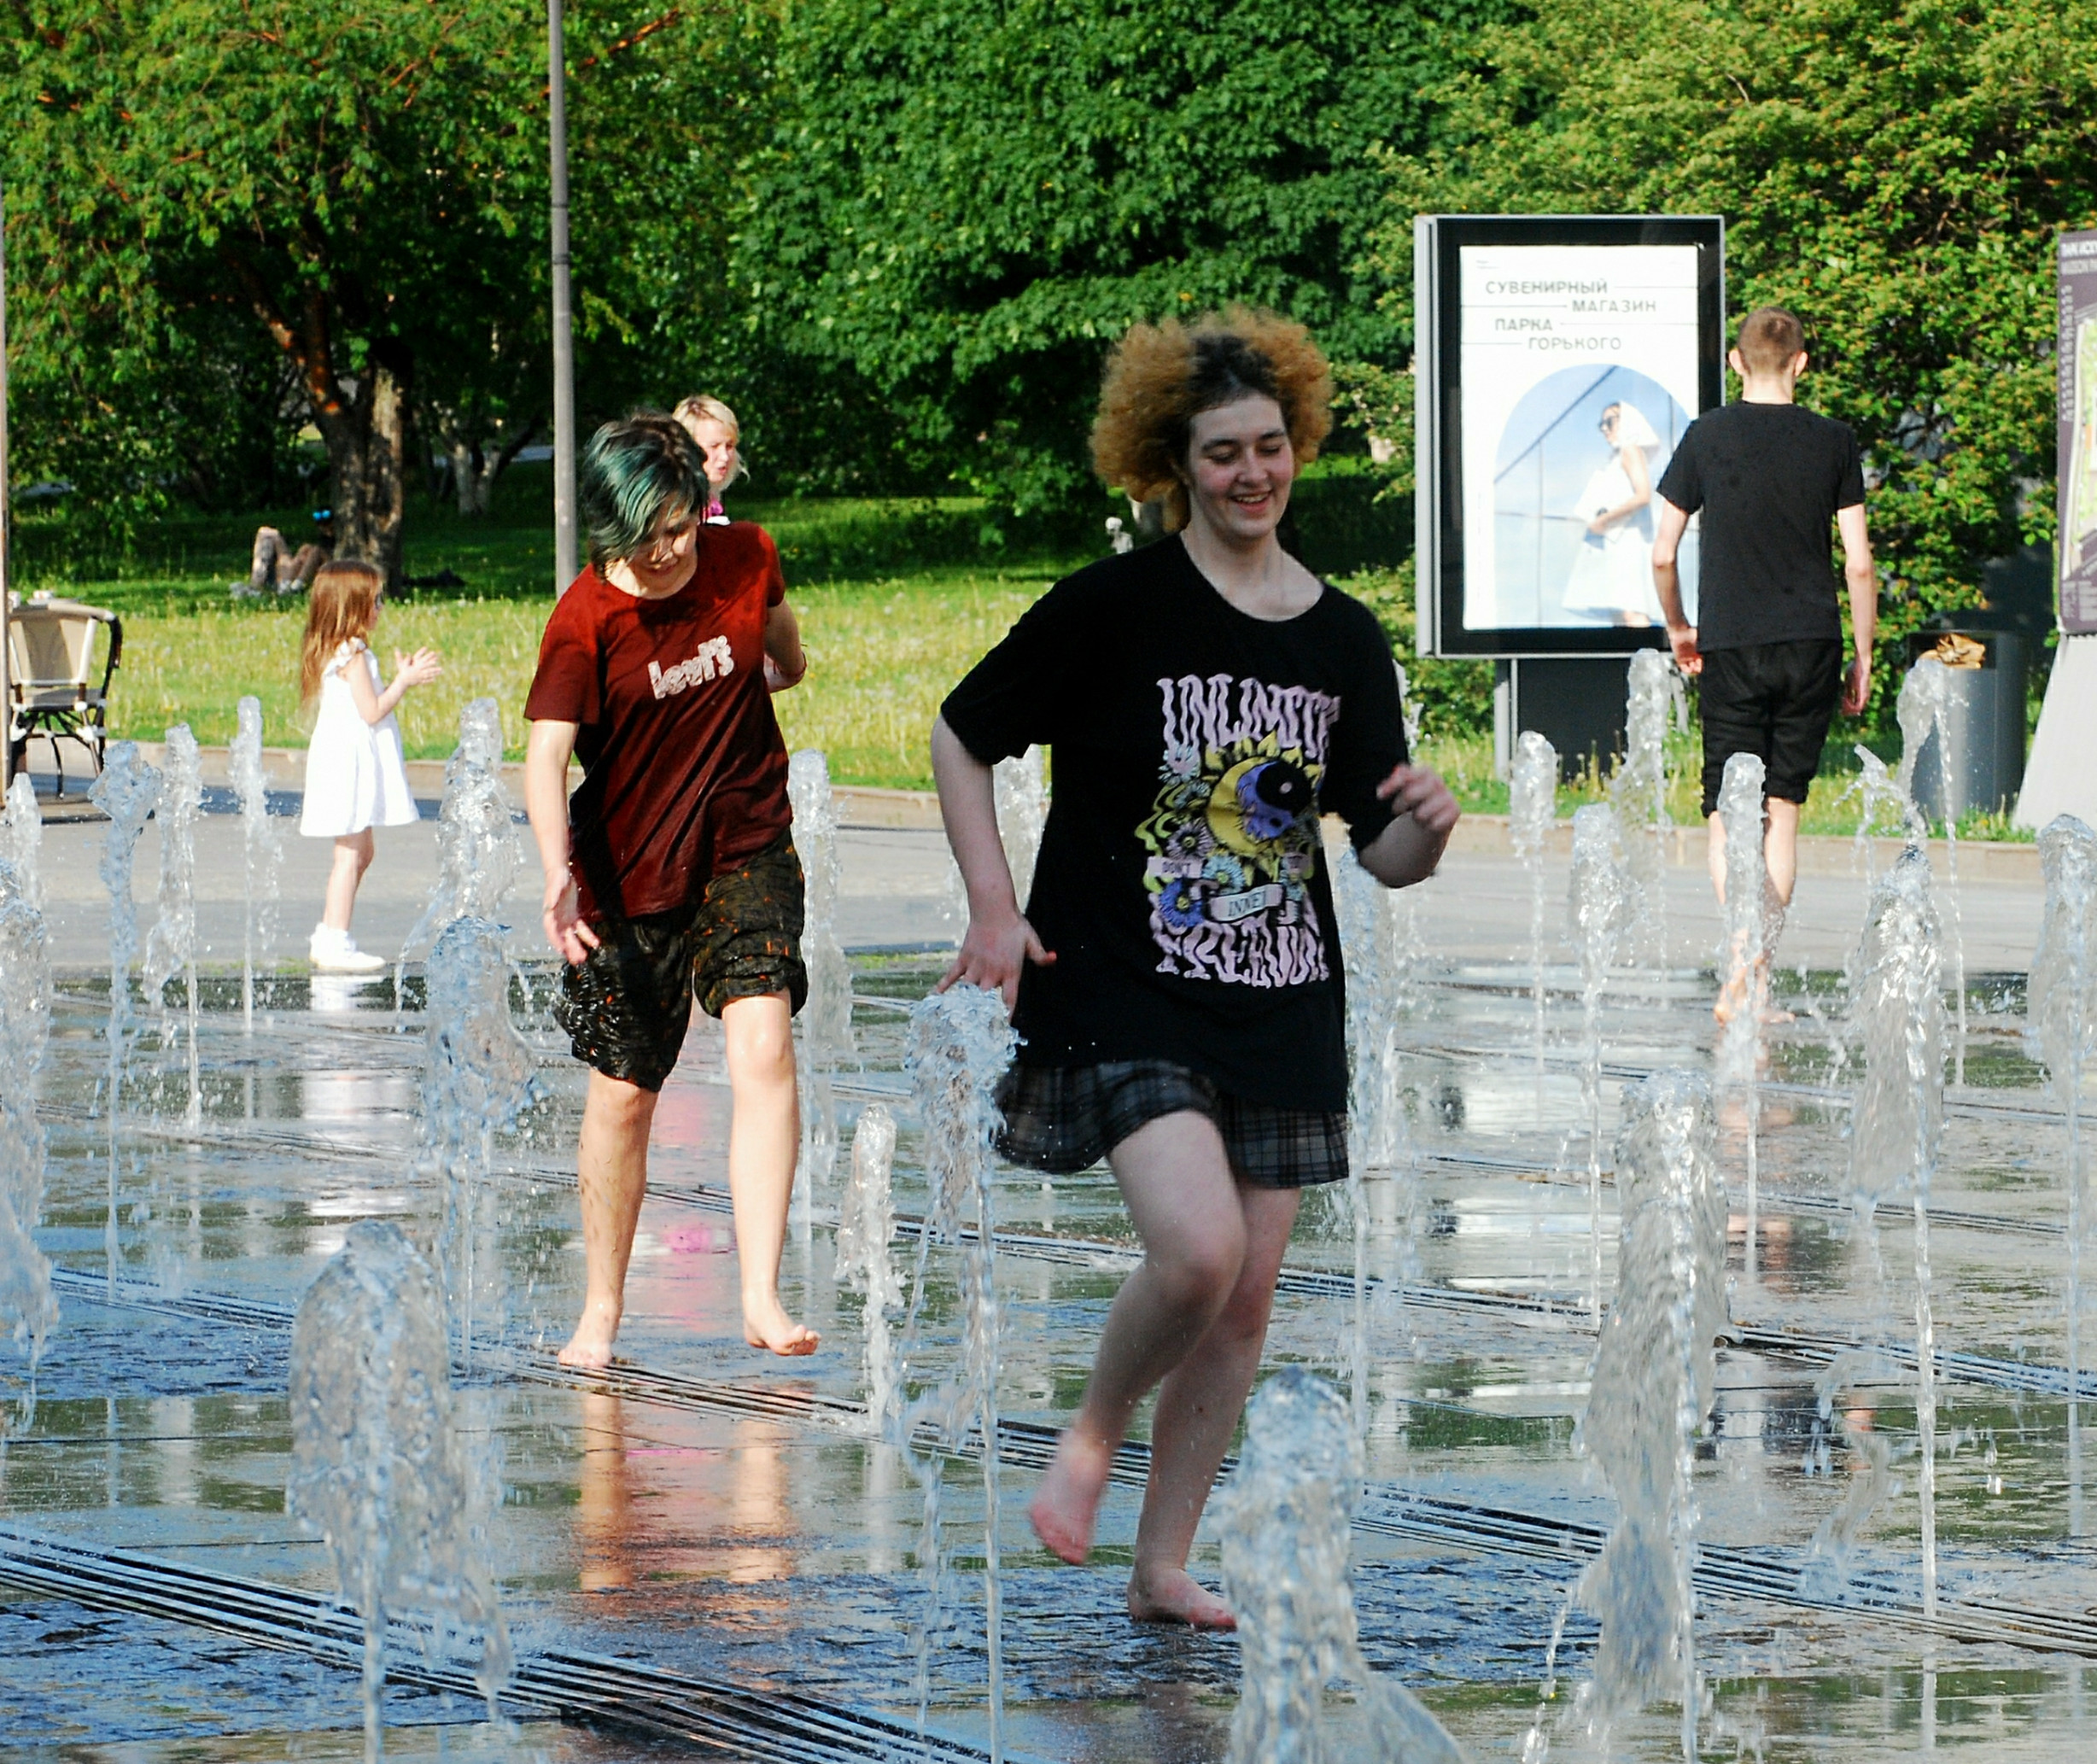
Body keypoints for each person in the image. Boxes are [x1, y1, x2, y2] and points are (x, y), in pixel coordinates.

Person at [932, 307, 1459, 1629]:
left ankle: (1162, 1566)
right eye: (1223, 453)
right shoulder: (1114, 609)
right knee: (1198, 1250)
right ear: (1174, 466)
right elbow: (959, 733)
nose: (1252, 475)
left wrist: (1425, 830)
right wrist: (994, 911)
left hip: (1282, 995)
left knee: (1245, 1298)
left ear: (1299, 449)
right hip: (1123, 981)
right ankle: (1093, 1433)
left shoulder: (1342, 637)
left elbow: (1379, 852)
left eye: (1271, 447)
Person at [523, 412, 815, 1370]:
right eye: (648, 538)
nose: (671, 551)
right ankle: (602, 1308)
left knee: (763, 1043)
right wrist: (555, 870)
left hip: (743, 841)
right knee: (622, 1098)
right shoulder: (584, 619)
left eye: (682, 527)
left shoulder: (746, 556)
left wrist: (773, 668)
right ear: (610, 530)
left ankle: (762, 1295)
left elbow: (787, 655)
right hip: (629, 870)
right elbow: (544, 758)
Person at [1650, 306, 1877, 921]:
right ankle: (1761, 982)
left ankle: (1739, 965)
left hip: (1730, 641)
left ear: (1736, 362)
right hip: (1812, 642)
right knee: (1782, 808)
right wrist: (1863, 654)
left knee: (1728, 806)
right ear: (1801, 363)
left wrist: (1678, 629)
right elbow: (1858, 563)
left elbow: (1663, 553)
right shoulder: (1835, 440)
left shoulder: (1706, 436)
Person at [294, 559, 441, 973]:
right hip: (348, 764)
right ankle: (334, 937)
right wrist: (404, 682)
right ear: (352, 607)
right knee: (350, 853)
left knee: (361, 850)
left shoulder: (342, 651)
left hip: (345, 759)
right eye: (375, 600)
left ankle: (330, 931)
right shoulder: (352, 654)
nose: (381, 607)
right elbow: (372, 710)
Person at [1562, 400, 1662, 626]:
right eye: (1602, 424)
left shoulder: (1630, 450)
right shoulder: (1614, 459)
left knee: (1632, 608)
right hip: (1613, 542)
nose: (1605, 429)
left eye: (1610, 422)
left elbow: (1643, 495)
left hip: (1629, 541)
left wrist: (1604, 520)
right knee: (1618, 611)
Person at [674, 394, 745, 525]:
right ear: (686, 447)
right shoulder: (672, 508)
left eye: (729, 446)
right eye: (714, 446)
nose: (725, 457)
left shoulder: (713, 503)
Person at [248, 524, 328, 597]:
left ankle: (296, 587)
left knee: (315, 550)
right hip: (283, 576)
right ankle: (256, 584)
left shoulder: (320, 553)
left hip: (287, 583)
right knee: (266, 532)